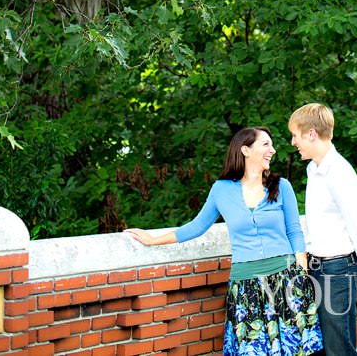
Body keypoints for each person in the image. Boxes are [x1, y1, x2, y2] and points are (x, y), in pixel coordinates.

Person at [125, 127, 323, 356]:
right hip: (245, 285)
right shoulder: (221, 190)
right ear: (245, 150)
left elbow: (294, 231)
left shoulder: (282, 186)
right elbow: (197, 226)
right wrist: (153, 239)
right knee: (251, 350)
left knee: (295, 349)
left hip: (286, 279)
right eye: (266, 144)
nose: (273, 150)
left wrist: (301, 273)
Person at [288, 103, 357, 356]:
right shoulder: (314, 169)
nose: (293, 142)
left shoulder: (339, 172)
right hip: (318, 267)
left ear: (311, 134)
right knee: (321, 348)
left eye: (295, 135)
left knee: (339, 350)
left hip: (339, 271)